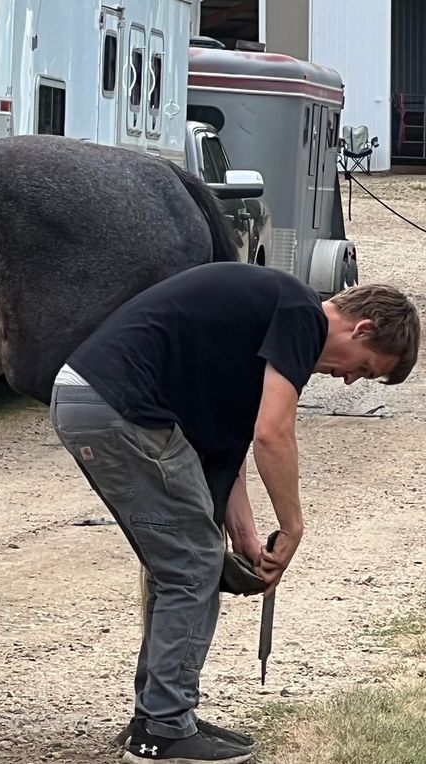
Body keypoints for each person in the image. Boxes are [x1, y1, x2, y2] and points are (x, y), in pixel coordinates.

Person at [49, 262, 419, 764]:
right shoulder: (300, 311)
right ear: (363, 328)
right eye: (364, 367)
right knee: (192, 564)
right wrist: (291, 527)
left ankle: (158, 717)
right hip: (117, 406)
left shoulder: (266, 323)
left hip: (92, 399)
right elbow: (272, 433)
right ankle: (163, 729)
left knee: (184, 559)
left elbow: (225, 452)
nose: (349, 381)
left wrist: (244, 537)